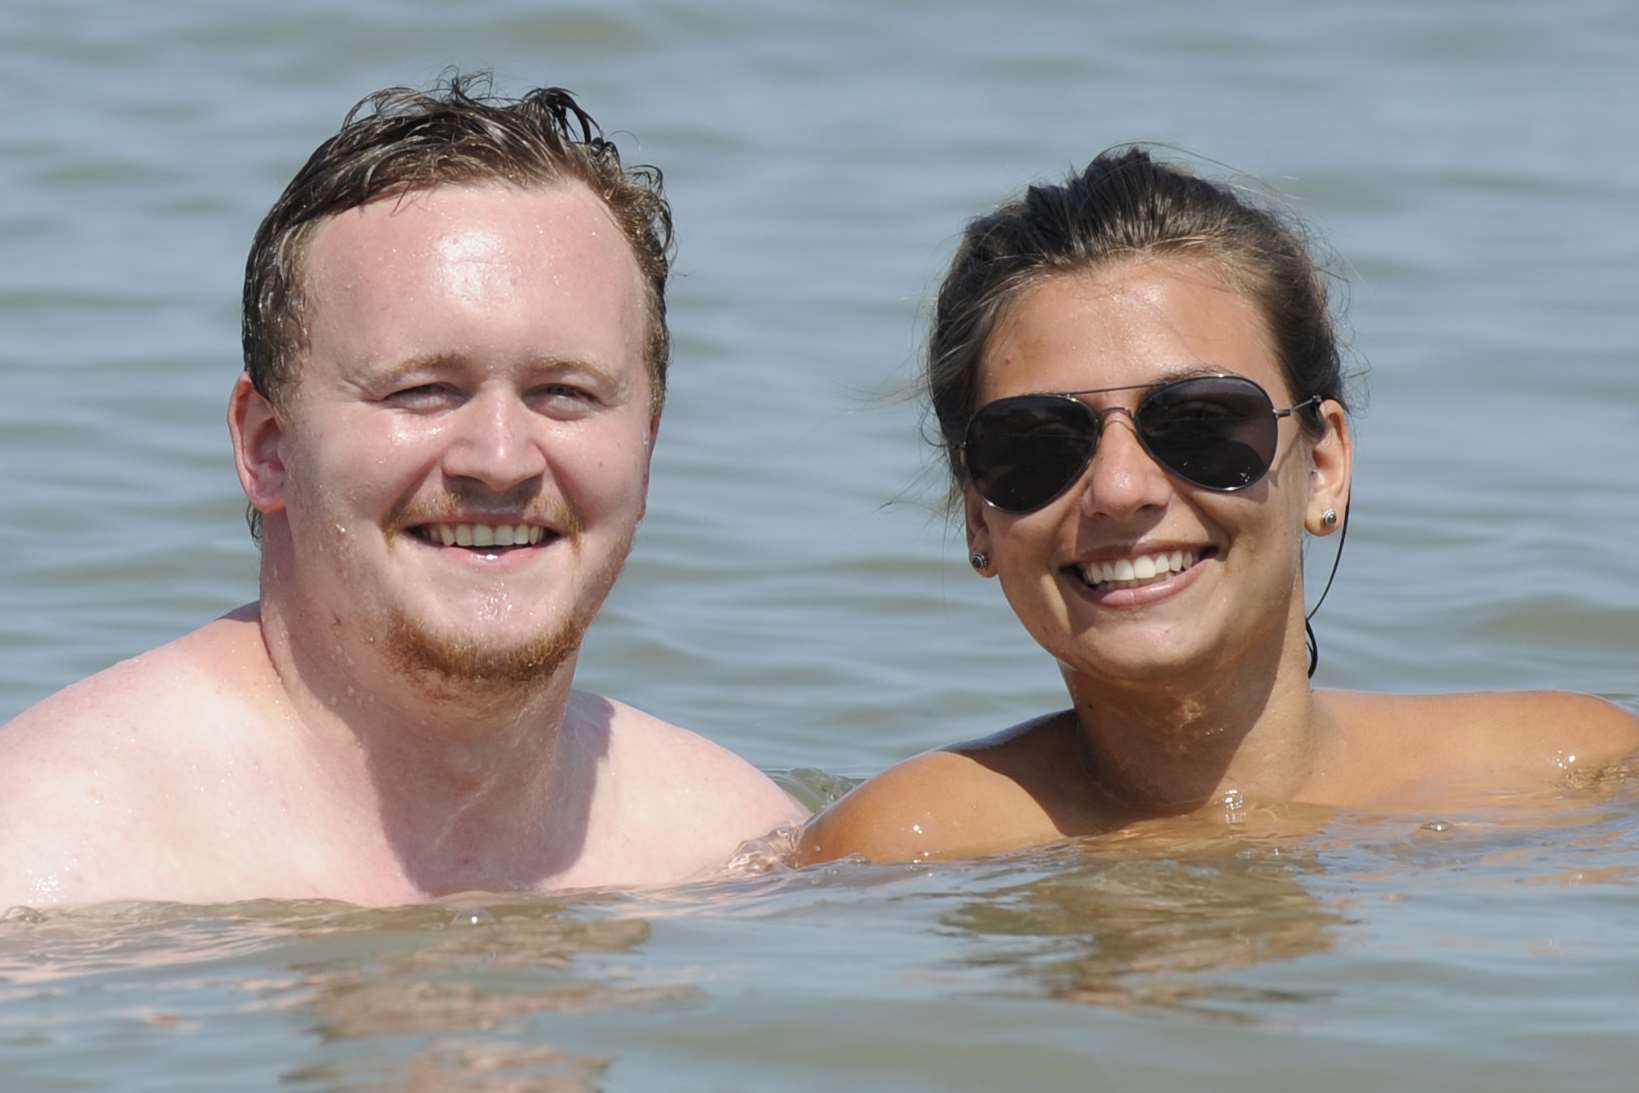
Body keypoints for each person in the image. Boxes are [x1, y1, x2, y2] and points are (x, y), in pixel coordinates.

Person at [0, 76, 803, 907]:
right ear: (267, 446)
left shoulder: (733, 857)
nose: (500, 459)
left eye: (565, 391)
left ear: (645, 446)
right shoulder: (48, 864)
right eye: (422, 390)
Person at [798, 148, 1639, 866]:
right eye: (1038, 442)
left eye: (1198, 422)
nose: (1121, 489)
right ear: (978, 514)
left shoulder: (1576, 778)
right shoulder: (906, 847)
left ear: (1322, 465)